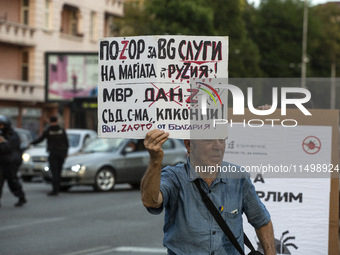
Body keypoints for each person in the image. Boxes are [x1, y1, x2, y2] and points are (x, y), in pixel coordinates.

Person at [141, 129, 276, 255]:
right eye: (209, 141)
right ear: (189, 145)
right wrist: (155, 160)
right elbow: (150, 201)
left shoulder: (238, 177)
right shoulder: (174, 177)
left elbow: (262, 222)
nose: (217, 146)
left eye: (221, 140)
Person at [30, 116, 69, 196]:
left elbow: (40, 139)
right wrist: (65, 153)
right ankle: (58, 188)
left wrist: (31, 143)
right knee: (58, 171)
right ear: (57, 121)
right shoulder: (61, 130)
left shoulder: (49, 130)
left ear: (50, 122)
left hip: (53, 153)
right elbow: (66, 143)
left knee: (54, 172)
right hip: (61, 153)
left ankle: (55, 190)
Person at [0, 115, 27, 207]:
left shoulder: (13, 135)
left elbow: (7, 147)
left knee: (12, 181)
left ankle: (21, 197)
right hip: (1, 162)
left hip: (11, 162)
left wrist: (2, 143)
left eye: (2, 125)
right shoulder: (2, 135)